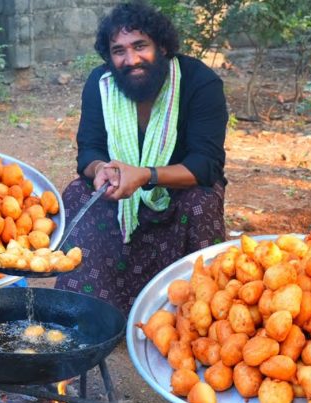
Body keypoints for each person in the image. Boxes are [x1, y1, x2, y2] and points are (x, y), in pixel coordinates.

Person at [54, 1, 228, 315]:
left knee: (202, 202)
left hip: (177, 199)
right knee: (79, 194)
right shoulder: (101, 85)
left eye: (140, 46)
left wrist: (146, 175)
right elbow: (89, 149)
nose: (131, 60)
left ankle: (191, 313)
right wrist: (101, 170)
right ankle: (93, 311)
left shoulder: (199, 82)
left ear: (161, 46)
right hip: (119, 197)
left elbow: (207, 164)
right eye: (119, 51)